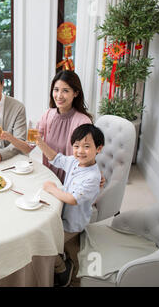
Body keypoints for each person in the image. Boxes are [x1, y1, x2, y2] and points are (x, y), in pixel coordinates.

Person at [35, 123, 104, 287]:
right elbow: (56, 159)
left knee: (43, 241)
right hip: (63, 215)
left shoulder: (93, 176)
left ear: (98, 149)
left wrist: (51, 189)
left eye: (87, 146)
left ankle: (62, 269)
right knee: (65, 245)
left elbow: (73, 199)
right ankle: (69, 259)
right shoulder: (75, 161)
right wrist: (40, 143)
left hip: (73, 223)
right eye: (76, 146)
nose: (80, 151)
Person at [1, 70, 92, 183]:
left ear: (75, 93)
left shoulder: (83, 121)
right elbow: (27, 147)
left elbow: (84, 161)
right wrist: (9, 137)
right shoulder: (49, 114)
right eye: (56, 90)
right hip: (48, 176)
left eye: (65, 91)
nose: (59, 96)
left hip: (70, 180)